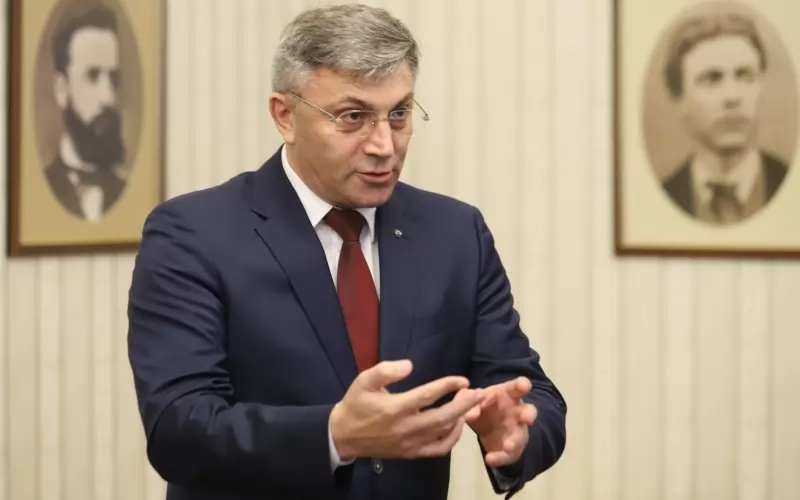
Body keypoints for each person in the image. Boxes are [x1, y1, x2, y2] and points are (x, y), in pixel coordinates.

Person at [127, 4, 567, 500]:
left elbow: (533, 393)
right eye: (353, 117)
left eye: (398, 114)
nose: (384, 145)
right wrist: (335, 435)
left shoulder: (454, 233)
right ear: (285, 116)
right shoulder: (193, 234)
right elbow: (179, 429)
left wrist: (516, 434)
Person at [660, 10, 789, 225]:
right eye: (711, 79)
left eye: (745, 76)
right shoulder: (663, 198)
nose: (732, 97)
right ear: (679, 98)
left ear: (762, 86)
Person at [44, 3, 127, 222]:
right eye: (92, 76)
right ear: (62, 90)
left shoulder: (124, 192)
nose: (108, 97)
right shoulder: (43, 189)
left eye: (113, 78)